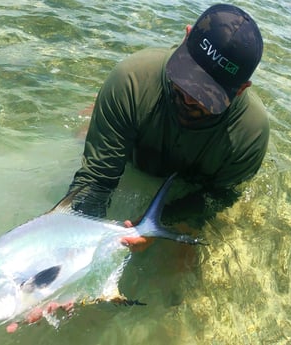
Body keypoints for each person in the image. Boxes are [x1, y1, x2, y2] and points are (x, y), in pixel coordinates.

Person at [67, 4, 269, 242]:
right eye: (187, 77)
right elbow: (96, 179)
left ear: (241, 89)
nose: (188, 97)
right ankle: (104, 108)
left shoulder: (251, 134)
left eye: (207, 94)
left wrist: (158, 223)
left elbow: (219, 196)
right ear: (186, 36)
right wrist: (77, 236)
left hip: (189, 178)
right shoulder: (130, 79)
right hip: (135, 128)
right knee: (84, 132)